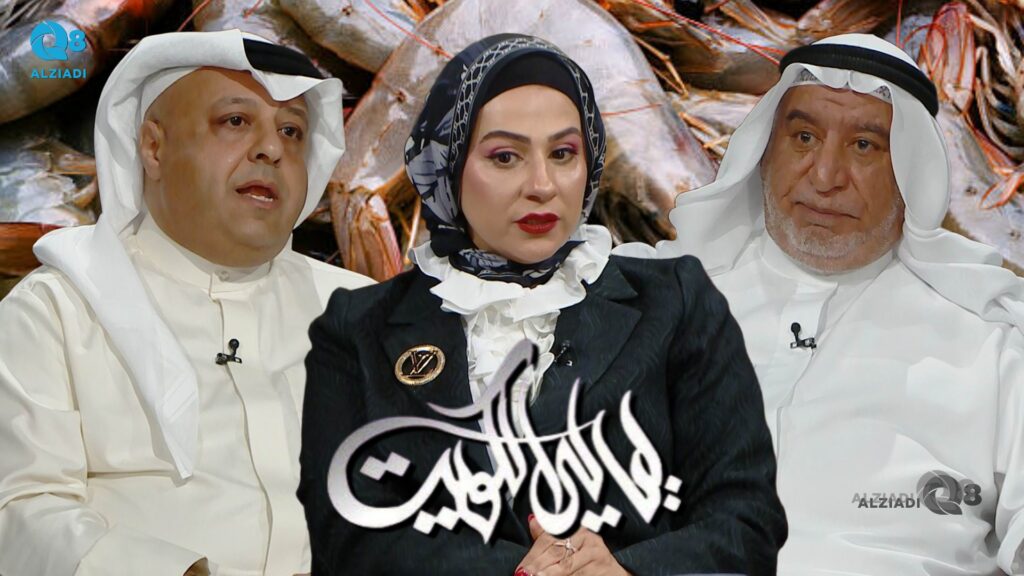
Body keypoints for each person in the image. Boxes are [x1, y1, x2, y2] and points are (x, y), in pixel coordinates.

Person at [298, 33, 786, 576]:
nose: (542, 185)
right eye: (505, 156)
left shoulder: (675, 302)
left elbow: (745, 520)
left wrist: (626, 570)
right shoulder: (358, 326)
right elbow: (344, 531)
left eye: (563, 154)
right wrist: (522, 570)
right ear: (448, 162)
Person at [616, 33, 1024, 575]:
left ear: (911, 171)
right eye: (804, 137)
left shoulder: (993, 346)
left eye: (864, 146)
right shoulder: (641, 304)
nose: (826, 177)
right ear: (765, 152)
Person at [0, 30, 372, 576]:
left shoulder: (367, 314)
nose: (271, 149)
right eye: (236, 121)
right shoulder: (56, 314)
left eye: (291, 131)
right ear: (153, 148)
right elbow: (18, 514)